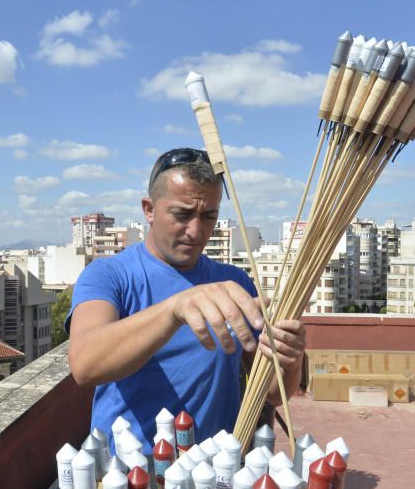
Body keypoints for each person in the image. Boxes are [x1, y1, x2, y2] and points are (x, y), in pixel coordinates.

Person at [67, 148, 305, 453]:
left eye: (209, 216)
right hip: (131, 478)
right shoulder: (108, 275)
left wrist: (290, 357)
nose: (196, 231)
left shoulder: (235, 283)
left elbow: (272, 392)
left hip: (213, 476)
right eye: (182, 214)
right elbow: (85, 364)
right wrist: (174, 309)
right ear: (149, 210)